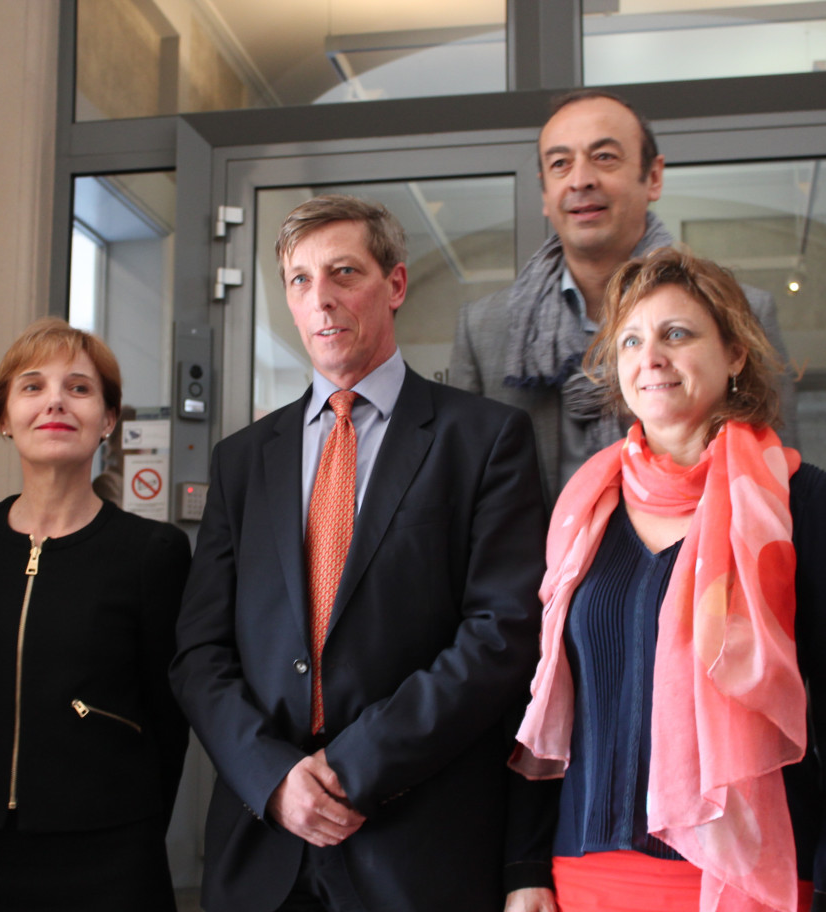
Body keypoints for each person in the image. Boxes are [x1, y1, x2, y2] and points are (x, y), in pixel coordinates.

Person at [171, 194, 548, 912]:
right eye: (301, 280)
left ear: (395, 285)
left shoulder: (485, 440)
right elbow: (199, 651)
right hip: (264, 844)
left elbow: (500, 634)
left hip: (416, 840)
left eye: (344, 273)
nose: (322, 300)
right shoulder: (243, 461)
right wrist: (274, 778)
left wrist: (350, 766)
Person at [504, 248, 826, 912]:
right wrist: (523, 867)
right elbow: (548, 709)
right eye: (631, 339)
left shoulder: (804, 504)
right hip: (585, 877)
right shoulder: (582, 512)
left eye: (676, 334)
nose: (649, 356)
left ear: (735, 353)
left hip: (749, 879)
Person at [0, 318, 191, 912]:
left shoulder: (153, 552)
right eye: (32, 386)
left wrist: (128, 819)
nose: (56, 402)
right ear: (4, 417)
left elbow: (168, 721)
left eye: (80, 388)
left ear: (109, 419)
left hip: (107, 851)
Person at [450, 89, 797, 499]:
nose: (581, 180)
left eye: (604, 157)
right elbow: (462, 492)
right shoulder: (485, 329)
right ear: (545, 193)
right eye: (560, 164)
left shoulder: (741, 312)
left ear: (653, 177)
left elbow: (775, 482)